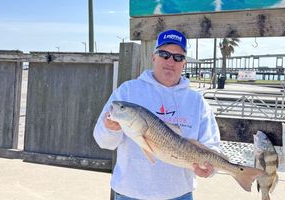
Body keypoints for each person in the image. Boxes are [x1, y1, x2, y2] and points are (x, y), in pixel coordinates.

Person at [93, 29, 220, 200]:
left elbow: (211, 146)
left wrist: (210, 170)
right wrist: (110, 128)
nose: (170, 61)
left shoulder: (197, 102)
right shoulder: (127, 92)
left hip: (180, 194)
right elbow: (103, 141)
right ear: (153, 57)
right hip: (130, 193)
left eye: (178, 57)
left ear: (184, 64)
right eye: (164, 54)